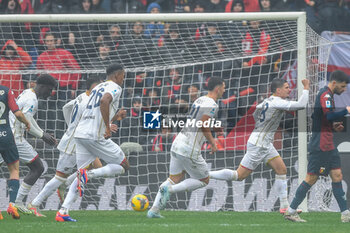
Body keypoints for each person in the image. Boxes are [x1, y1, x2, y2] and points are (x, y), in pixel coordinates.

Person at [209, 78, 310, 214]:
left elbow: (256, 113)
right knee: (239, 175)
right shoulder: (278, 102)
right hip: (259, 145)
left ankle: (285, 206)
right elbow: (301, 104)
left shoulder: (266, 101)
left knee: (281, 169)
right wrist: (306, 87)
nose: (289, 89)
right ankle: (205, 174)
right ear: (278, 90)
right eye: (286, 87)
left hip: (264, 143)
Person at [56, 63, 129, 222]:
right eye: (123, 75)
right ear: (117, 76)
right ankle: (88, 174)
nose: (124, 79)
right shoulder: (115, 87)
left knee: (80, 175)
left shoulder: (97, 87)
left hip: (81, 134)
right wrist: (107, 128)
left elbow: (95, 110)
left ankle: (63, 211)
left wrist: (114, 118)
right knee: (123, 165)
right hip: (94, 136)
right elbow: (104, 101)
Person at [147, 77, 225, 218]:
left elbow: (198, 122)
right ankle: (170, 190)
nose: (224, 91)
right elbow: (202, 124)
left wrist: (215, 127)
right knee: (203, 180)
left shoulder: (199, 100)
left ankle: (154, 210)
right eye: (224, 87)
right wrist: (213, 142)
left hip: (178, 142)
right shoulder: (212, 104)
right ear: (218, 88)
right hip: (189, 147)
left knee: (174, 177)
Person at [27, 76, 104, 217]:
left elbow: (66, 107)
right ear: (95, 87)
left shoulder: (82, 97)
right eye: (100, 87)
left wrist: (71, 126)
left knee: (97, 166)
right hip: (73, 143)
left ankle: (67, 182)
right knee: (59, 177)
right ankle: (34, 204)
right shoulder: (88, 102)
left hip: (82, 141)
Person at [284, 70, 350, 223]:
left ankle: (345, 213)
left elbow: (319, 119)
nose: (344, 89)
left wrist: (334, 127)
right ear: (334, 83)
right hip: (320, 145)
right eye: (342, 86)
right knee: (311, 178)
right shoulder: (325, 95)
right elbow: (328, 116)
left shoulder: (328, 95)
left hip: (328, 144)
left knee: (337, 176)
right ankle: (291, 210)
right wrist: (346, 110)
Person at [3, 74, 58, 214]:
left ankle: (17, 202)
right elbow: (25, 120)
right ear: (43, 86)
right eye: (50, 90)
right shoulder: (32, 99)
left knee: (36, 167)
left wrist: (42, 133)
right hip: (14, 138)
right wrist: (42, 135)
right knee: (37, 167)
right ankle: (18, 202)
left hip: (8, 134)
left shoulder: (27, 93)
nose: (50, 93)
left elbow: (29, 119)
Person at [0, 85, 30, 220]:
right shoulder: (6, 91)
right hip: (6, 136)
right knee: (14, 170)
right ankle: (12, 204)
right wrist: (27, 122)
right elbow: (17, 113)